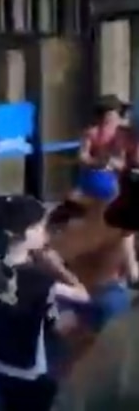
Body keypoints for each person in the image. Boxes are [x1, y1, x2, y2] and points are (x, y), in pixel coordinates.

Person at [0, 195, 90, 411]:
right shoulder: (41, 280)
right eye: (40, 226)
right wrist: (56, 266)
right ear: (27, 233)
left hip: (1, 364)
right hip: (30, 372)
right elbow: (82, 295)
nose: (44, 231)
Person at [53, 168, 139, 410]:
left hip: (74, 301)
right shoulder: (122, 229)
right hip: (108, 298)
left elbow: (53, 259)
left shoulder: (68, 227)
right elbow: (133, 273)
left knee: (79, 366)